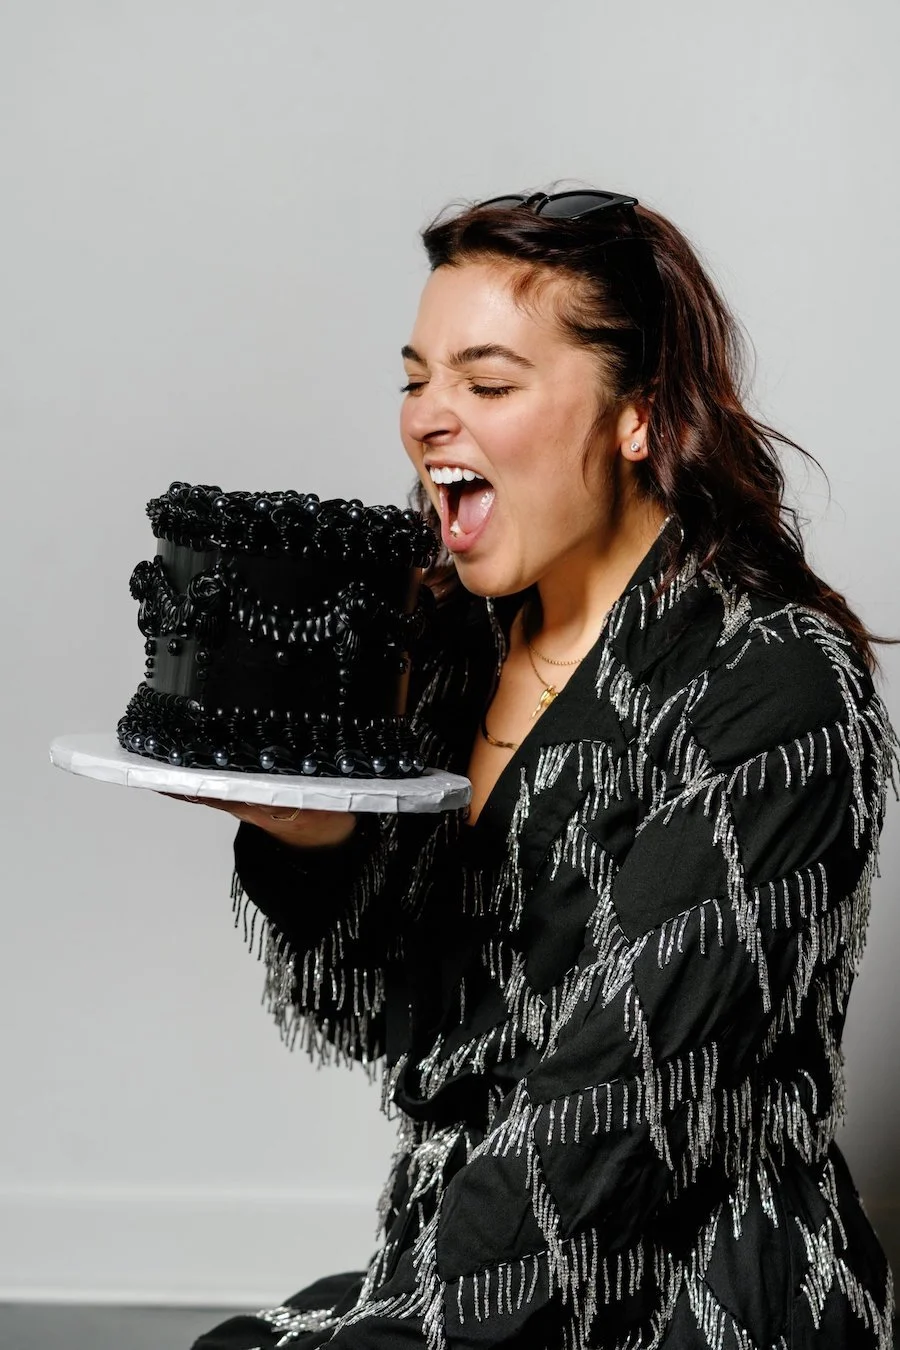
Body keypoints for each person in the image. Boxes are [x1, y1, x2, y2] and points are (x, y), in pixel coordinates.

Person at [186, 187, 898, 1348]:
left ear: (636, 416)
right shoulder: (449, 644)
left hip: (692, 1281)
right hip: (464, 1247)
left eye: (489, 382)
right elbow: (385, 1018)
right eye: (416, 379)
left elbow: (623, 1107)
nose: (428, 420)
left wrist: (398, 1337)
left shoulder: (772, 684)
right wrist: (308, 844)